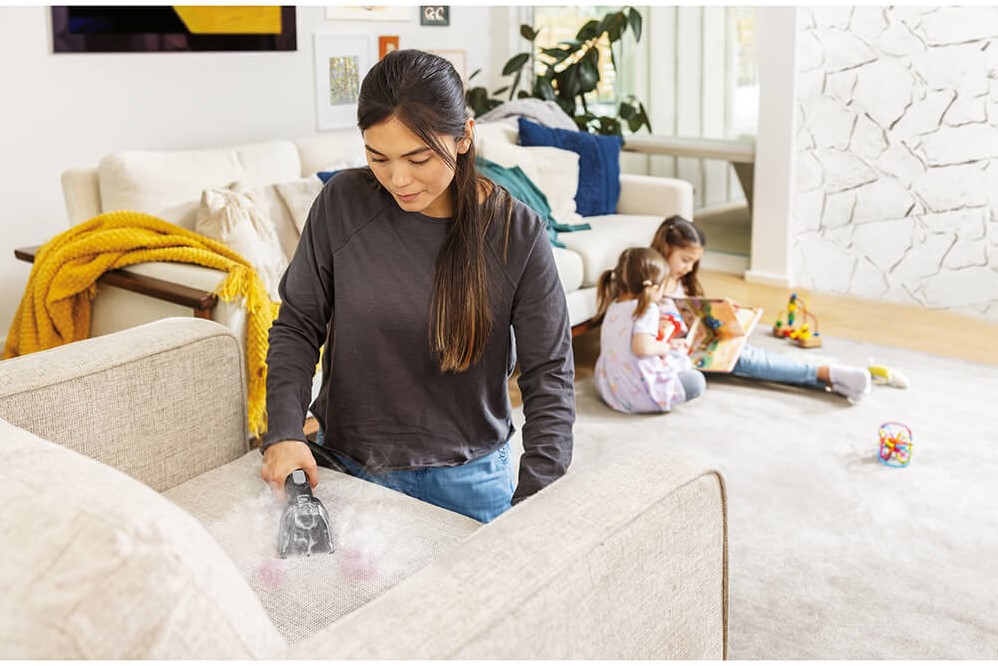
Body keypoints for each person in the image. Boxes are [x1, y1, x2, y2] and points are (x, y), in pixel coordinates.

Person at [260, 49, 575, 523]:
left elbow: (549, 374)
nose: (398, 179)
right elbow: (298, 325)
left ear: (464, 137)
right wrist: (285, 431)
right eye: (378, 157)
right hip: (347, 464)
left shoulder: (517, 232)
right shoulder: (341, 204)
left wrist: (537, 504)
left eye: (418, 157)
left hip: (469, 478)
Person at [650, 215, 878, 403]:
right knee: (748, 361)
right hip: (672, 353)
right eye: (685, 260)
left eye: (694, 262)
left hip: (696, 344)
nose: (689, 269)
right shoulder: (650, 286)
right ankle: (826, 373)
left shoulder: (679, 280)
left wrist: (719, 309)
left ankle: (830, 379)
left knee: (748, 354)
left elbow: (692, 312)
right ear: (665, 248)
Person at [594, 246, 707, 413]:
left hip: (610, 389)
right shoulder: (648, 309)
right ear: (655, 287)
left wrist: (667, 345)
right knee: (696, 381)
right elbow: (642, 348)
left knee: (675, 355)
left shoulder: (615, 305)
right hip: (636, 393)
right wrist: (665, 348)